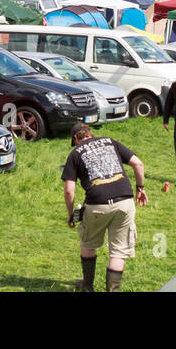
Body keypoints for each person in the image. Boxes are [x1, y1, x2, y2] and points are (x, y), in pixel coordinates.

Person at [62, 122, 148, 292]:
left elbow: (69, 192)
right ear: (90, 134)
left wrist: (71, 214)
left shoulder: (75, 153)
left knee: (88, 244)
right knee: (118, 252)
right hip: (125, 202)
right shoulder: (110, 141)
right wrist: (140, 188)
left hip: (97, 205)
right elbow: (138, 164)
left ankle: (87, 286)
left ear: (75, 138)